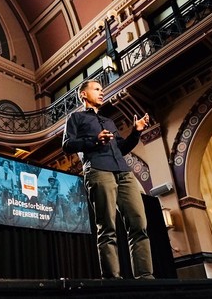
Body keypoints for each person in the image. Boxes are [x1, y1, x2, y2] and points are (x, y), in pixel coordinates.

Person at [62, 79, 154, 280]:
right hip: (98, 170)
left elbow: (121, 148)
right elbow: (68, 145)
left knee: (139, 223)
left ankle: (145, 278)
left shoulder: (109, 122)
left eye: (102, 90)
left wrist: (136, 132)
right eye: (96, 89)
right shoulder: (75, 118)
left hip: (123, 171)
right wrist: (95, 140)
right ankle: (112, 280)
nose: (102, 92)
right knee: (107, 227)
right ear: (83, 94)